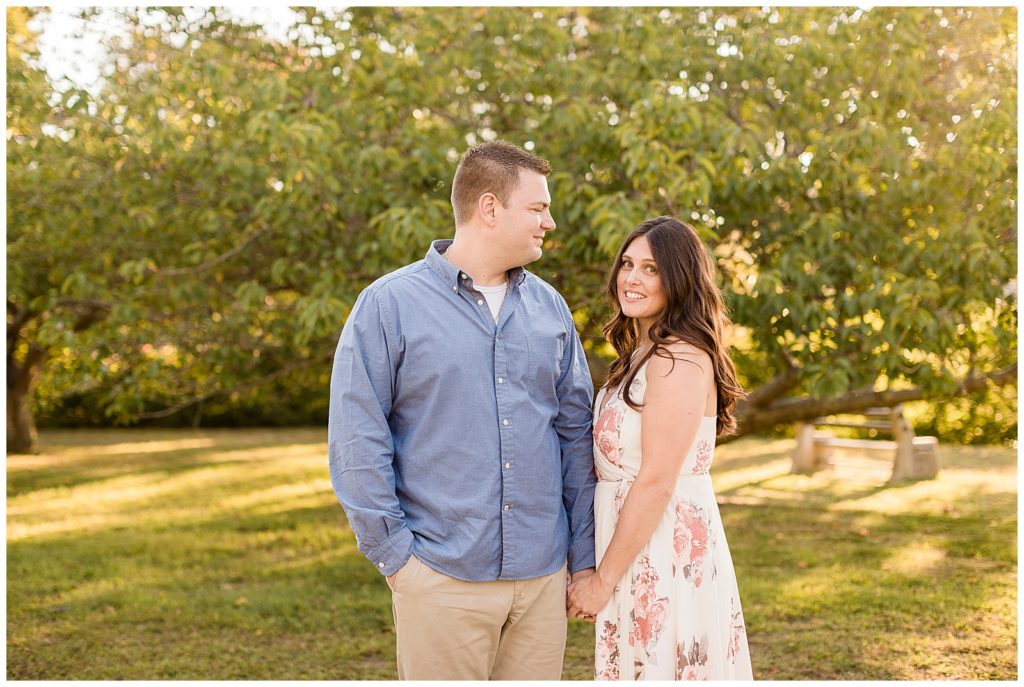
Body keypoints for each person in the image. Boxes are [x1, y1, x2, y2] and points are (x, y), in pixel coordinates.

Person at [328, 140, 597, 680]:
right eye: (538, 208)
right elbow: (358, 438)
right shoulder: (388, 305)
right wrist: (397, 558)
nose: (550, 221)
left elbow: (575, 435)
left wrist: (583, 558)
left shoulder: (551, 309)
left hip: (542, 580)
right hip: (440, 576)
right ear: (490, 208)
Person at [566, 216, 753, 680]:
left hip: (662, 550)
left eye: (651, 269)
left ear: (679, 278)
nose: (631, 278)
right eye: (627, 264)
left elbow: (655, 481)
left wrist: (601, 580)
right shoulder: (641, 353)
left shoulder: (680, 358)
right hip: (633, 542)